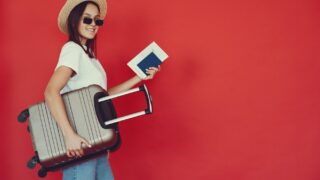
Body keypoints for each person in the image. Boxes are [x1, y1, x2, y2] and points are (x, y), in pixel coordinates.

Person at [44, 0, 160, 179]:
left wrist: (139, 78)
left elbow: (102, 98)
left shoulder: (90, 58)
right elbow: (51, 92)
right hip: (80, 143)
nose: (93, 25)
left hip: (96, 142)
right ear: (74, 20)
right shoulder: (72, 50)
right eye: (87, 19)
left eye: (97, 21)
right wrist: (69, 136)